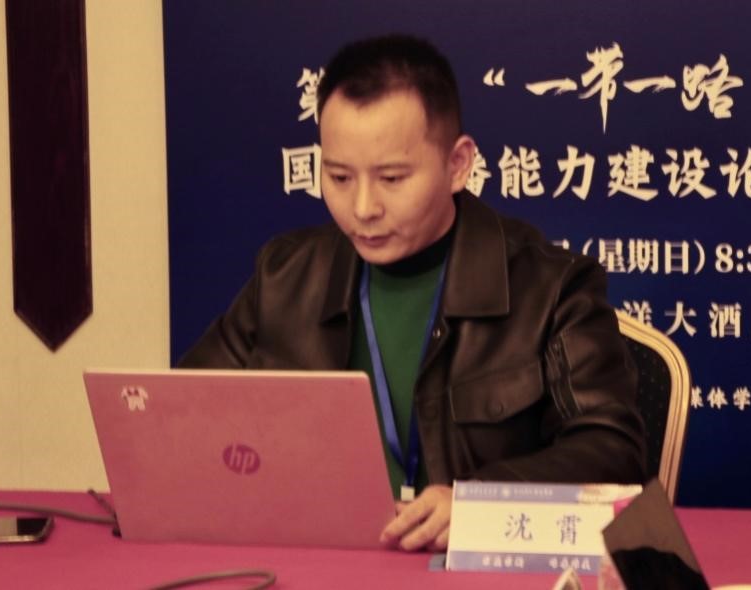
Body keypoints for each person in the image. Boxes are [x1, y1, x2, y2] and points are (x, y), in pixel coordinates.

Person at [179, 34, 645, 552]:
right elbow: (183, 415)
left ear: (458, 164)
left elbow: (612, 449)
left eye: (392, 178)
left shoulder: (551, 287)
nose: (363, 208)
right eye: (338, 176)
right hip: (320, 556)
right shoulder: (285, 276)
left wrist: (481, 501)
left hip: (464, 568)